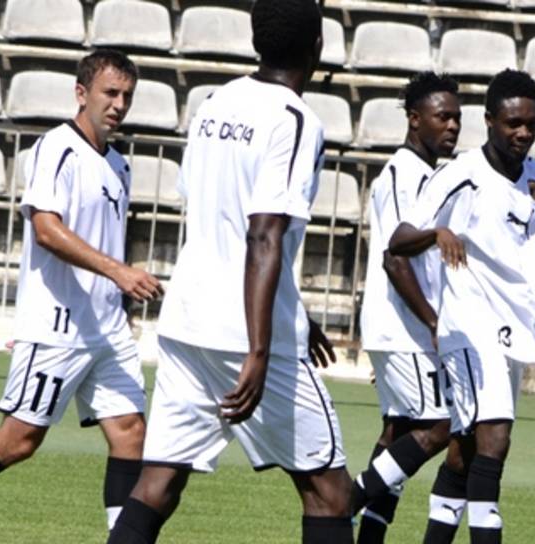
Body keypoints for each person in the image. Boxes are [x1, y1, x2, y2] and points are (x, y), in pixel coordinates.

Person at [106, 2, 353, 543]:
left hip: (187, 321)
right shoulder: (295, 120)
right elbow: (262, 233)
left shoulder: (214, 103)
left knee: (158, 482)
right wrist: (259, 349)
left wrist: (296, 309)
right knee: (330, 494)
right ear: (317, 46)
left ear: (256, 40)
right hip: (248, 335)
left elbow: (214, 213)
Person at [388, 69, 535, 544]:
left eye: (531, 124)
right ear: (490, 121)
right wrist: (436, 233)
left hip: (516, 327)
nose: (523, 133)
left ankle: (355, 497)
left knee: (463, 452)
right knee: (495, 439)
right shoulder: (462, 175)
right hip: (471, 326)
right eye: (513, 123)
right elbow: (399, 241)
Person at [0, 49, 162, 530]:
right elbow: (46, 229)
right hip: (57, 325)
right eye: (110, 93)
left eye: (127, 96)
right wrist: (117, 272)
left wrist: (119, 294)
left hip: (107, 330)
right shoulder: (56, 148)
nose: (119, 105)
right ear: (82, 93)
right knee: (18, 441)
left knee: (131, 434)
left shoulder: (120, 166)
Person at [352, 72, 461, 543]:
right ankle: (344, 503)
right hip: (403, 325)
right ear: (415, 119)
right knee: (442, 425)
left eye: (457, 117)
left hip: (401, 325)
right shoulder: (404, 172)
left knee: (398, 434)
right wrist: (433, 323)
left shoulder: (428, 174)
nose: (452, 126)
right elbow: (395, 256)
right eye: (442, 116)